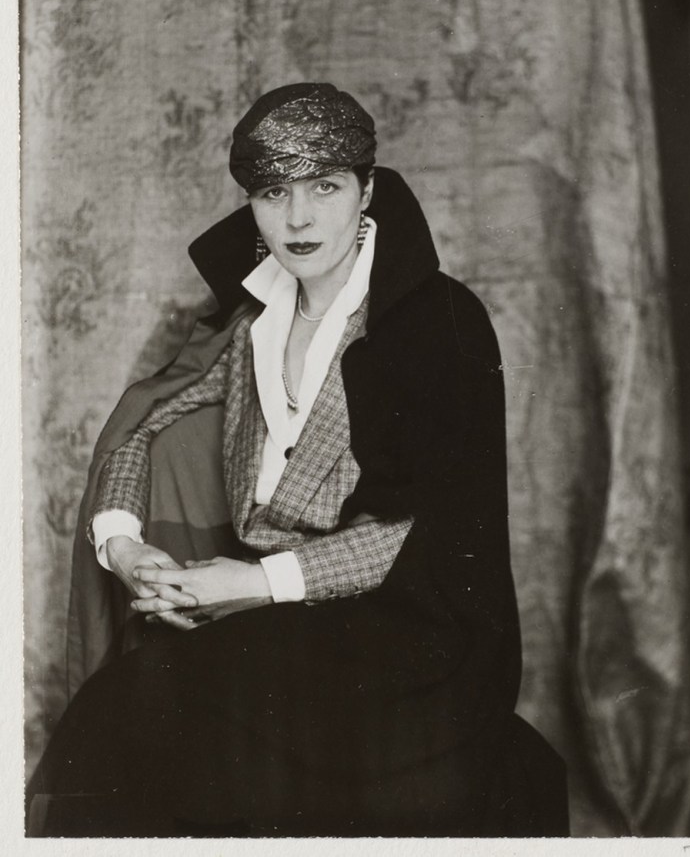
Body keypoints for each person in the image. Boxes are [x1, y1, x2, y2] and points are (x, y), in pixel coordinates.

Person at [27, 83, 569, 837]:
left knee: (146, 711)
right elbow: (149, 423)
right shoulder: (253, 315)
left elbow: (421, 531)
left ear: (367, 191)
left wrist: (255, 584)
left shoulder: (439, 324)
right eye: (274, 193)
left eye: (326, 187)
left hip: (407, 624)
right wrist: (124, 545)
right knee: (119, 714)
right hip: (278, 613)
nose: (300, 218)